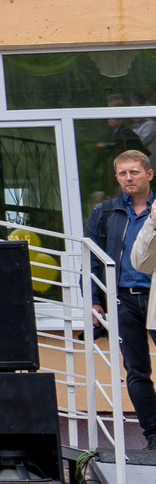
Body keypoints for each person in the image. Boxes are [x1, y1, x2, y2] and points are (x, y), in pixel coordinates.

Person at [87, 147, 155, 450]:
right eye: (123, 173)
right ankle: (154, 436)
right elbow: (91, 260)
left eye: (135, 172)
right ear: (117, 177)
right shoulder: (104, 212)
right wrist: (94, 299)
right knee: (137, 371)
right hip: (122, 300)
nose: (129, 178)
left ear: (149, 174)